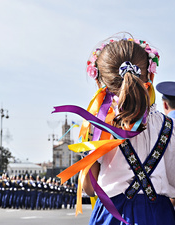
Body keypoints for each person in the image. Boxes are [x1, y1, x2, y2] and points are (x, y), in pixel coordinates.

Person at [80, 36, 175, 224]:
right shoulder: (168, 127)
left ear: (102, 84)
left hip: (112, 215)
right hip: (158, 215)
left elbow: (89, 188)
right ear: (150, 77)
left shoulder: (99, 126)